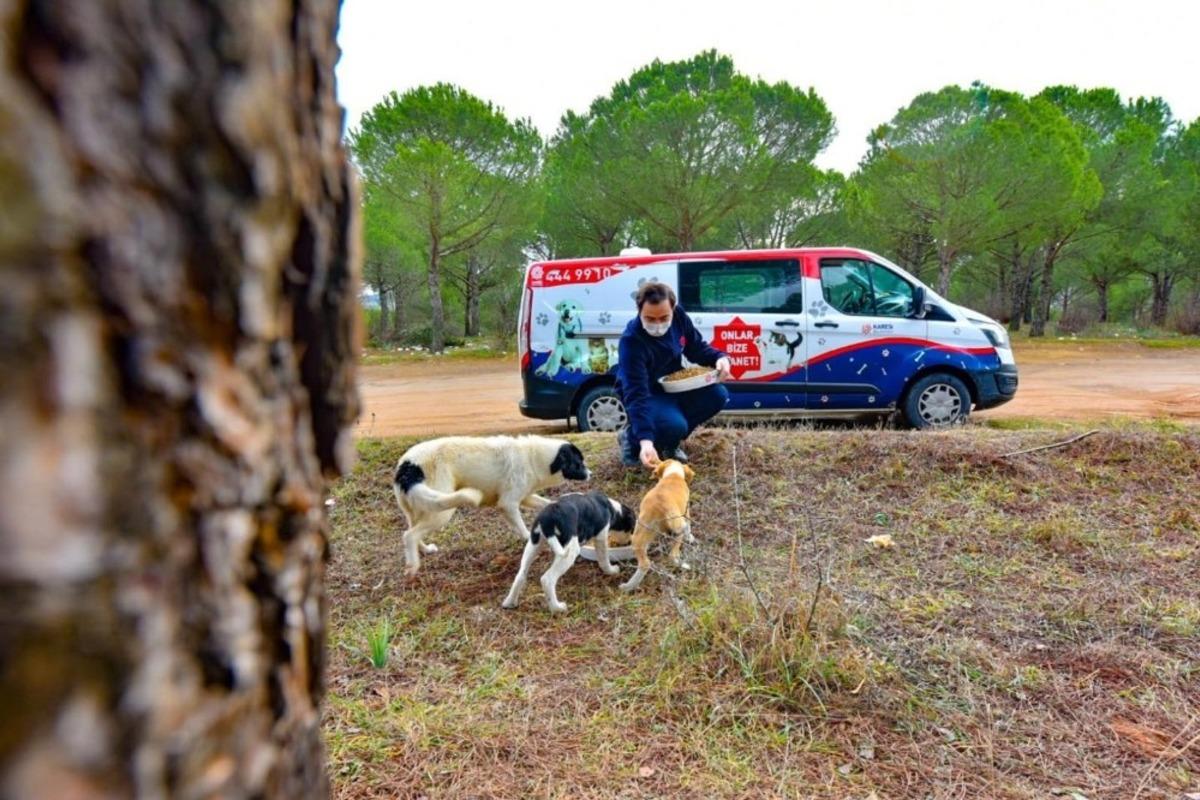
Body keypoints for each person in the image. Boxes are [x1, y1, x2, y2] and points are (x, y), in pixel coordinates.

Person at [615, 281, 732, 468]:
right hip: (647, 391)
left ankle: (670, 442)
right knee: (674, 425)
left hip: (672, 383)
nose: (658, 324)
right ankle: (631, 438)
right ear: (639, 311)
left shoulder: (679, 317)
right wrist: (645, 440)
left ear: (673, 309)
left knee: (717, 395)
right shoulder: (631, 341)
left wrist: (720, 358)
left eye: (663, 318)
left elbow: (696, 348)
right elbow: (636, 393)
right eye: (650, 319)